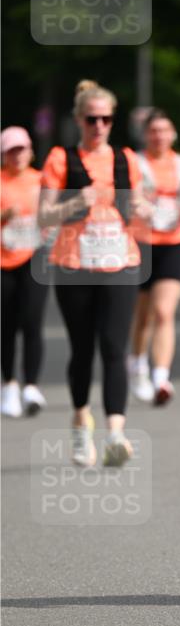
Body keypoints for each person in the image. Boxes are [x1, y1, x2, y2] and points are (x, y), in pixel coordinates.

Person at [38, 79, 148, 467]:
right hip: (74, 266)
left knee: (114, 348)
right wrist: (71, 203)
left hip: (120, 262)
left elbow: (135, 207)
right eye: (91, 119)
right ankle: (80, 423)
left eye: (106, 119)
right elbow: (43, 215)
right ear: (78, 120)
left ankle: (115, 432)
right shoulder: (59, 158)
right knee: (83, 350)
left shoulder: (126, 158)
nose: (99, 126)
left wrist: (143, 209)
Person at [128, 108, 180, 405]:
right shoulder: (135, 163)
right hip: (140, 243)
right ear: (145, 134)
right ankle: (137, 365)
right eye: (153, 130)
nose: (159, 135)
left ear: (173, 134)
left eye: (164, 130)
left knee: (164, 312)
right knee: (143, 315)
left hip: (173, 242)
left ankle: (161, 377)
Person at [1, 126, 49, 417]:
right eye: (11, 150)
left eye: (21, 149)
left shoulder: (42, 181)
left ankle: (31, 385)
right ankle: (9, 384)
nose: (17, 155)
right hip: (3, 261)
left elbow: (56, 215)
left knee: (32, 321)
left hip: (34, 257)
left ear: (30, 151)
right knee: (6, 326)